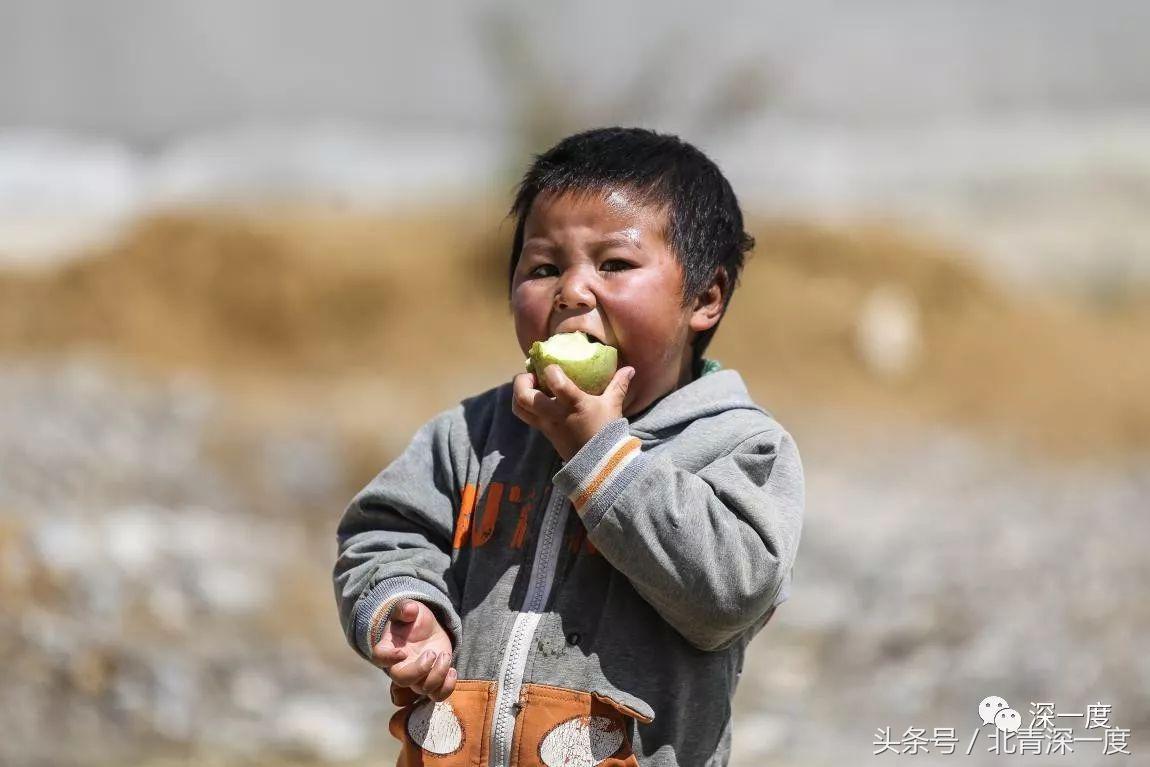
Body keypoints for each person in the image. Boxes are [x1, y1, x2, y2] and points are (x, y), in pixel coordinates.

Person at [333, 126, 805, 767]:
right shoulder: (473, 433)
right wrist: (403, 601)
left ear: (705, 296)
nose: (573, 293)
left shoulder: (738, 446)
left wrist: (602, 458)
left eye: (614, 264)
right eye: (544, 267)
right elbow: (386, 528)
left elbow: (729, 595)